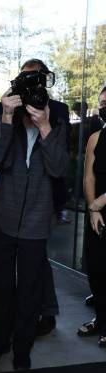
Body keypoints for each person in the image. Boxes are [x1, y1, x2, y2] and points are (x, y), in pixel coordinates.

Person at [0, 72, 69, 370]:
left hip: (36, 220)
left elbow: (59, 169)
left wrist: (44, 126)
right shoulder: (4, 120)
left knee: (29, 290)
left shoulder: (55, 125)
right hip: (3, 217)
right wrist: (6, 118)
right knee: (1, 286)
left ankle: (22, 350)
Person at [77, 86, 106, 348]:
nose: (104, 105)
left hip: (101, 206)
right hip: (97, 214)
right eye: (102, 102)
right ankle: (101, 318)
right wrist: (92, 208)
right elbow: (89, 175)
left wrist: (100, 202)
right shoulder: (96, 137)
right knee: (97, 270)